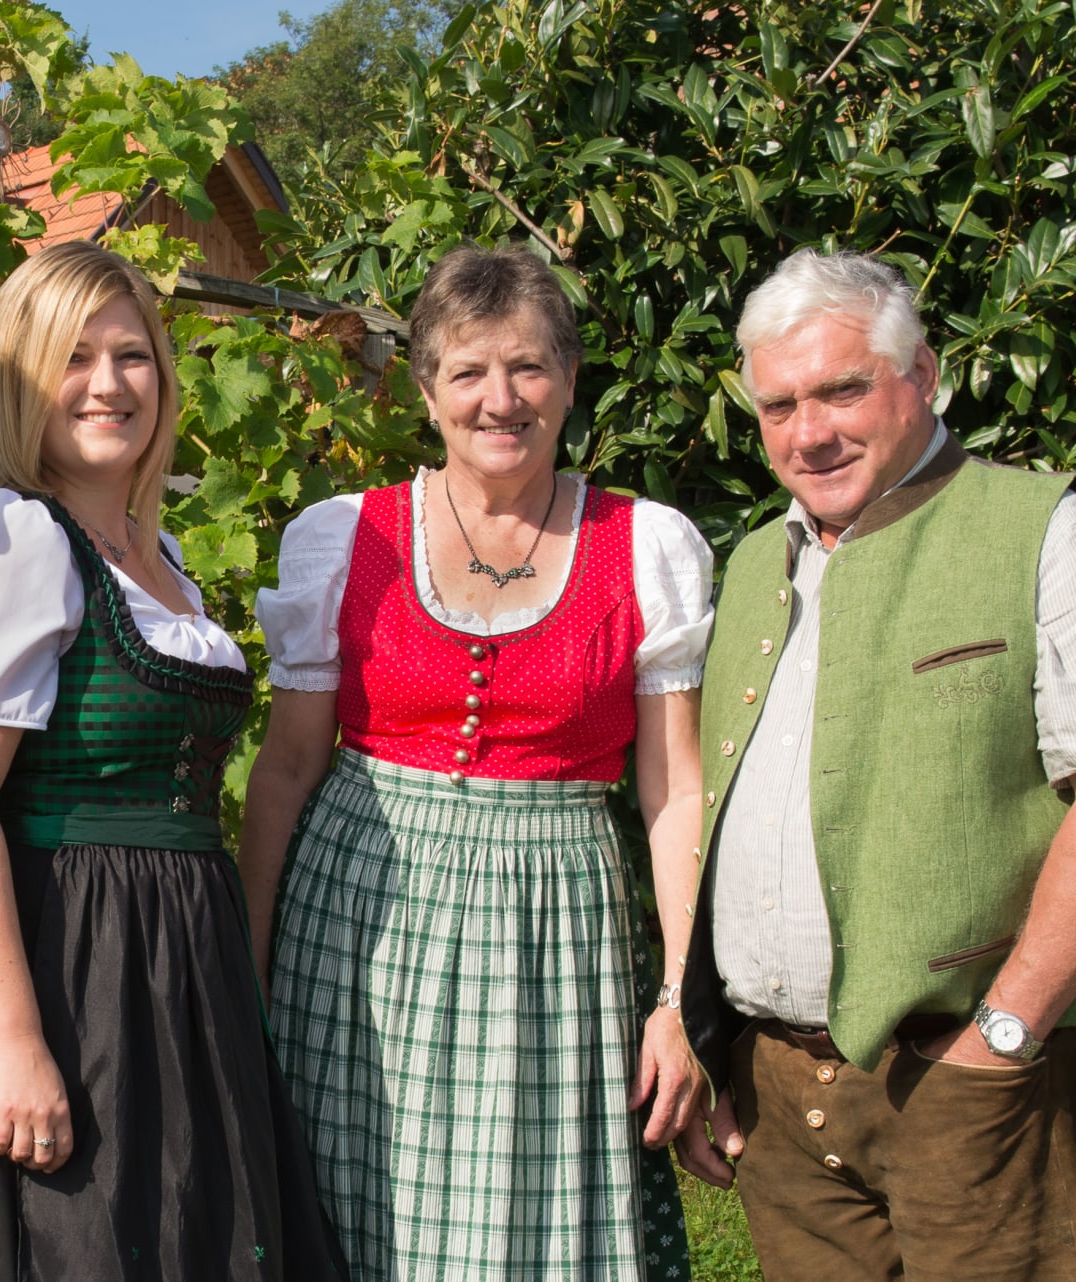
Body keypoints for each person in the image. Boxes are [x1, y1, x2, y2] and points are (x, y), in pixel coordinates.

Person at [674, 249, 1076, 1281]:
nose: (809, 432)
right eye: (778, 406)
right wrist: (708, 1036)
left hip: (964, 1072)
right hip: (775, 1083)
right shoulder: (757, 559)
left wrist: (1002, 1037)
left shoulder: (1048, 533)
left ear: (922, 375)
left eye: (842, 390)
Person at [243, 243, 712, 1280]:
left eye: (529, 366)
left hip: (554, 928)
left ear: (571, 380)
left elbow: (676, 790)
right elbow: (286, 769)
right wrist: (253, 965)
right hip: (358, 916)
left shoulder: (648, 546)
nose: (500, 399)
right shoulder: (344, 537)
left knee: (527, 1220)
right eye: (468, 371)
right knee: (350, 1196)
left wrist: (681, 998)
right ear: (426, 390)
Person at [0, 240, 345, 1282]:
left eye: (131, 354)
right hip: (74, 959)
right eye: (73, 357)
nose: (107, 383)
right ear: (19, 381)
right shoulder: (16, 537)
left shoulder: (162, 555)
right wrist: (15, 1040)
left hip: (181, 958)